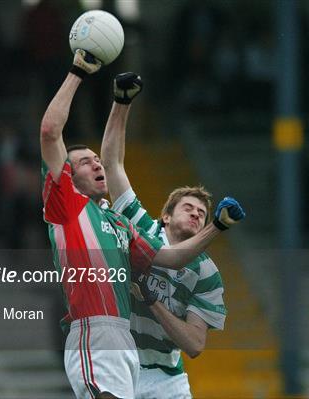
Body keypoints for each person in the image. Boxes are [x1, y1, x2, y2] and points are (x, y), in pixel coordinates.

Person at [40, 49, 245, 399]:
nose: (96, 162)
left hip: (138, 353)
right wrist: (82, 74)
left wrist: (219, 227)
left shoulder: (120, 226)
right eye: (85, 161)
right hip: (97, 332)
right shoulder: (68, 205)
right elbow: (53, 133)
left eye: (203, 212)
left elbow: (172, 259)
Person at [101, 73, 231, 398]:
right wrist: (122, 102)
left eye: (202, 214)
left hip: (165, 378)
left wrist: (151, 300)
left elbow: (194, 345)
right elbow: (112, 164)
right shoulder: (141, 227)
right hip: (119, 365)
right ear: (167, 215)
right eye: (189, 207)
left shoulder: (207, 273)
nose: (196, 214)